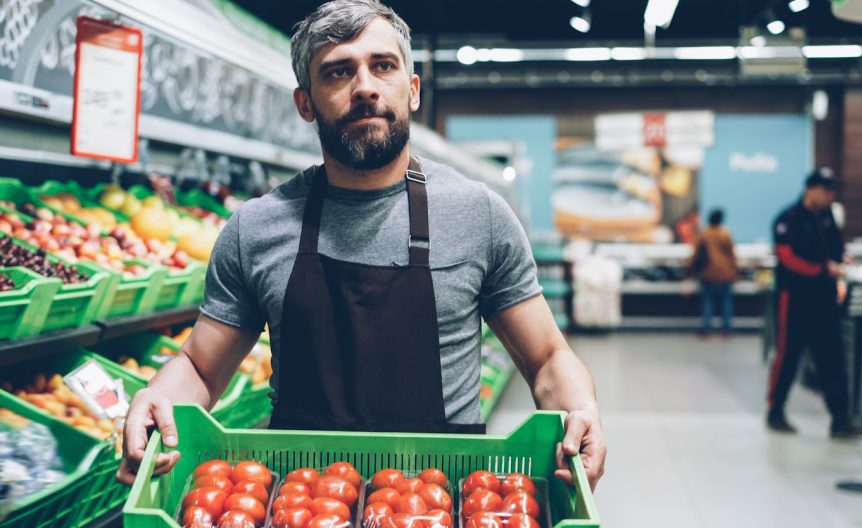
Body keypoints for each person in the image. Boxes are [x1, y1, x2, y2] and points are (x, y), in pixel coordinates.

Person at [117, 0, 605, 490]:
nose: (365, 87)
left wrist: (580, 409)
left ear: (412, 90)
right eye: (337, 73)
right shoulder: (256, 229)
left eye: (383, 66)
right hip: (301, 520)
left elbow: (545, 357)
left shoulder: (479, 215)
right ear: (305, 103)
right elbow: (200, 369)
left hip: (436, 516)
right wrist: (156, 396)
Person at [766, 167, 862, 438]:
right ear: (810, 188)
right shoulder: (788, 219)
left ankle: (840, 417)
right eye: (826, 190)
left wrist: (842, 260)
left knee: (832, 357)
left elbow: (837, 247)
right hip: (795, 298)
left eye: (832, 191)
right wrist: (822, 269)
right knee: (788, 355)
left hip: (824, 298)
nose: (829, 196)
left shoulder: (827, 217)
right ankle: (775, 411)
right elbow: (786, 258)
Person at [689, 209, 739, 337]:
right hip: (725, 272)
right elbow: (732, 254)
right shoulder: (725, 234)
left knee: (707, 301)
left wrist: (690, 268)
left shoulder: (704, 234)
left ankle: (706, 328)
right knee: (726, 301)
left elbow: (696, 254)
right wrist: (735, 270)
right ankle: (727, 329)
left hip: (708, 272)